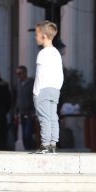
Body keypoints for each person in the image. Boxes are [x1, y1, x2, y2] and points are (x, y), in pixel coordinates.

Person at [33, 21, 64, 154]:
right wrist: (58, 87)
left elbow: (39, 75)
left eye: (37, 34)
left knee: (44, 117)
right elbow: (60, 73)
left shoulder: (43, 53)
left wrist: (36, 92)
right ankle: (53, 144)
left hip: (43, 89)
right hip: (54, 89)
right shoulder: (56, 53)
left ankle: (45, 144)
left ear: (44, 36)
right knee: (53, 117)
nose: (36, 37)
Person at [13, 65, 36, 151]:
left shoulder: (31, 83)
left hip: (29, 112)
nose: (18, 76)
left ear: (24, 73)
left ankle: (30, 148)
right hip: (22, 112)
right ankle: (27, 149)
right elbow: (18, 98)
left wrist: (34, 111)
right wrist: (16, 111)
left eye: (19, 73)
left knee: (28, 133)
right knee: (23, 134)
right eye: (17, 74)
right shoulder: (19, 84)